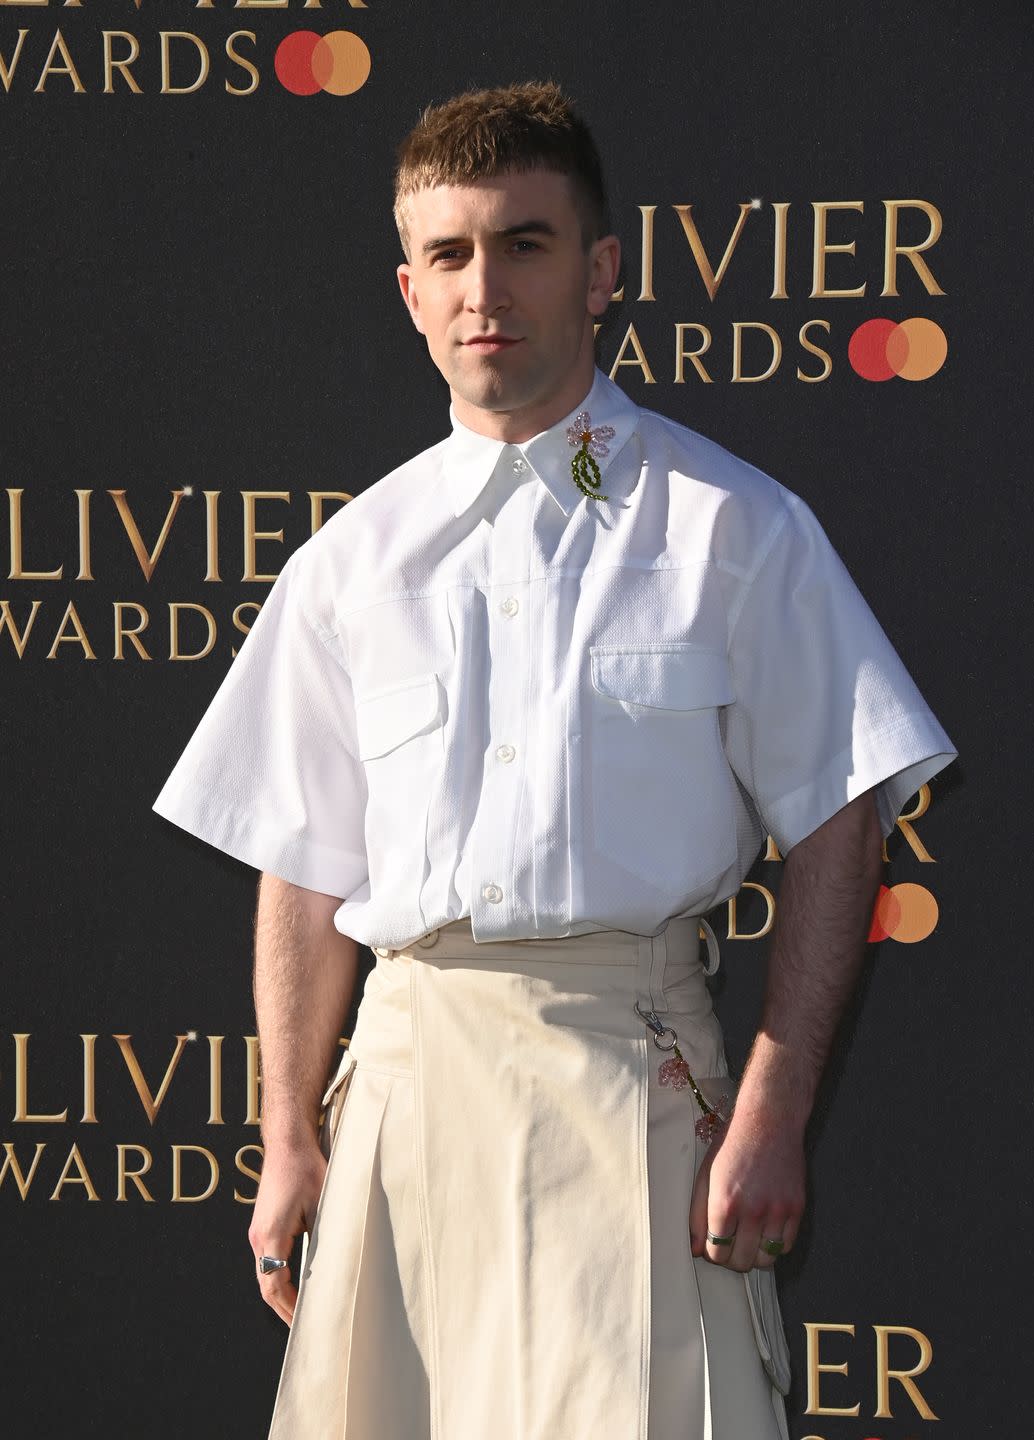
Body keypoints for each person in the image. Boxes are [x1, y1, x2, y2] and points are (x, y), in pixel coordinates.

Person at [152, 81, 957, 1440]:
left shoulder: (735, 529)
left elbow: (842, 819)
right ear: (409, 291)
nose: (487, 290)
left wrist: (770, 1111)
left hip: (635, 1093)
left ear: (603, 273)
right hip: (406, 1097)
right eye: (451, 255)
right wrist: (288, 1133)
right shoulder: (351, 561)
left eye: (524, 243)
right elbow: (304, 869)